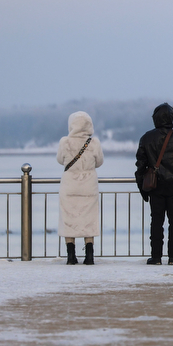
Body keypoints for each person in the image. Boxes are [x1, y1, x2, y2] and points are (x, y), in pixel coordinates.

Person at [135, 103, 173, 265]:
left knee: (156, 221)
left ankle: (156, 257)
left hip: (156, 186)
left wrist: (143, 190)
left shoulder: (146, 138)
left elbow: (140, 167)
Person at [56, 111, 104, 265]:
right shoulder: (94, 142)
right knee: (89, 219)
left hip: (69, 185)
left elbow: (60, 160)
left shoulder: (65, 142)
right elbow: (100, 162)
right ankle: (89, 255)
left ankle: (71, 255)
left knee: (68, 219)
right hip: (88, 185)